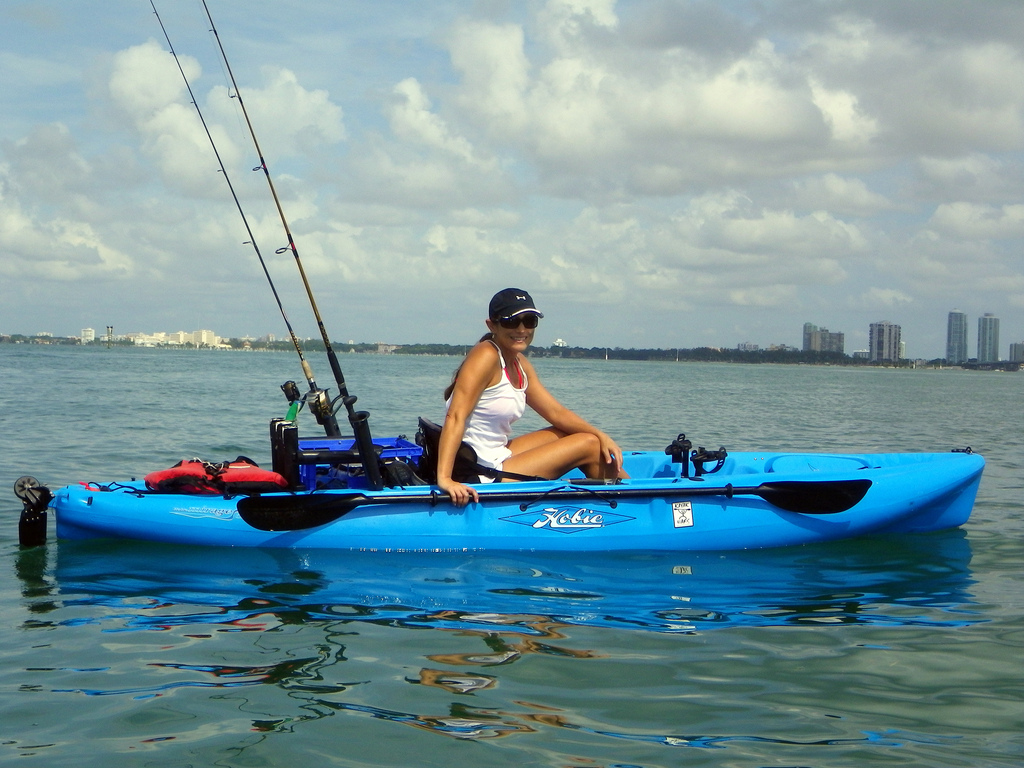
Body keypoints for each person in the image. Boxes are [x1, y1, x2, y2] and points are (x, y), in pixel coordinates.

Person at [437, 288, 628, 506]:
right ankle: (637, 502)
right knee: (588, 445)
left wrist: (602, 435)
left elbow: (556, 413)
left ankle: (625, 495)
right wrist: (445, 479)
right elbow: (455, 416)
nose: (521, 329)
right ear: (492, 325)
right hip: (478, 470)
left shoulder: (519, 363)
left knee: (573, 433)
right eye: (511, 322)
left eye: (529, 321)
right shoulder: (485, 355)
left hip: (496, 454)